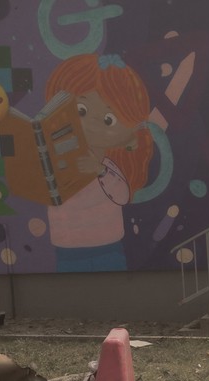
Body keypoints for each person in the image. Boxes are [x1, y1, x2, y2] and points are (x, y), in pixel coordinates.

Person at [44, 53, 155, 272]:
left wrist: (100, 171)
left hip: (108, 247)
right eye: (81, 110)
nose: (93, 124)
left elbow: (122, 195)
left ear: (132, 136)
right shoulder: (60, 159)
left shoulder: (109, 169)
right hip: (68, 249)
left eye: (108, 119)